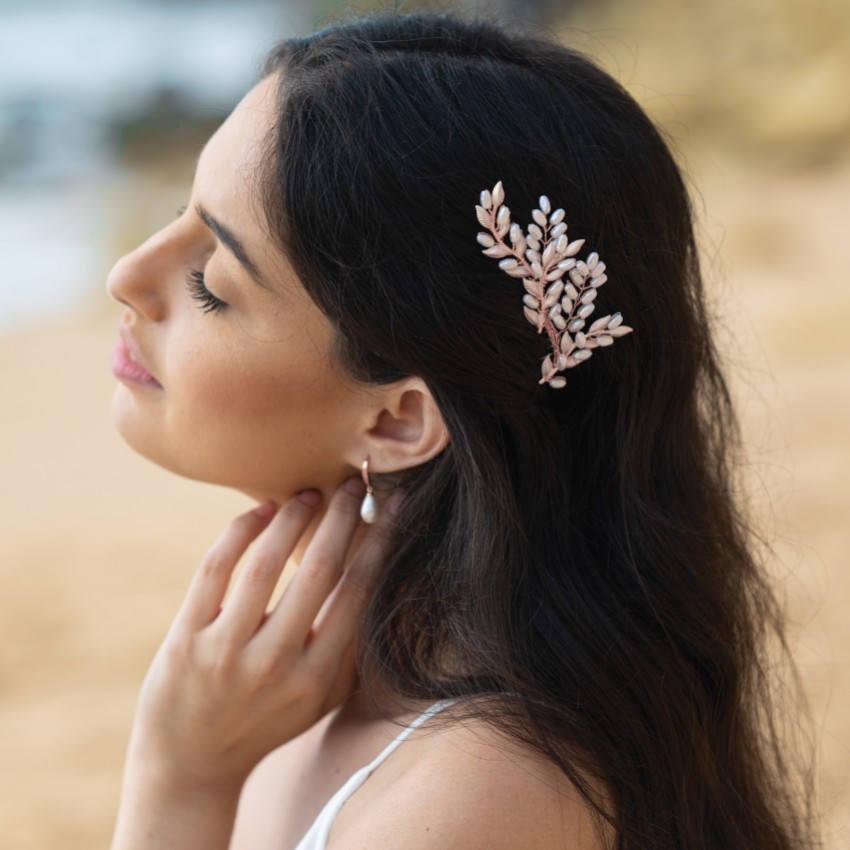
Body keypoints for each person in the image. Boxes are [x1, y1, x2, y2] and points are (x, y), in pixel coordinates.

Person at [105, 11, 815, 850]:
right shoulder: (302, 684)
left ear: (400, 418)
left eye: (214, 283)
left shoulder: (479, 799)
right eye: (178, 207)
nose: (126, 275)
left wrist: (176, 783)